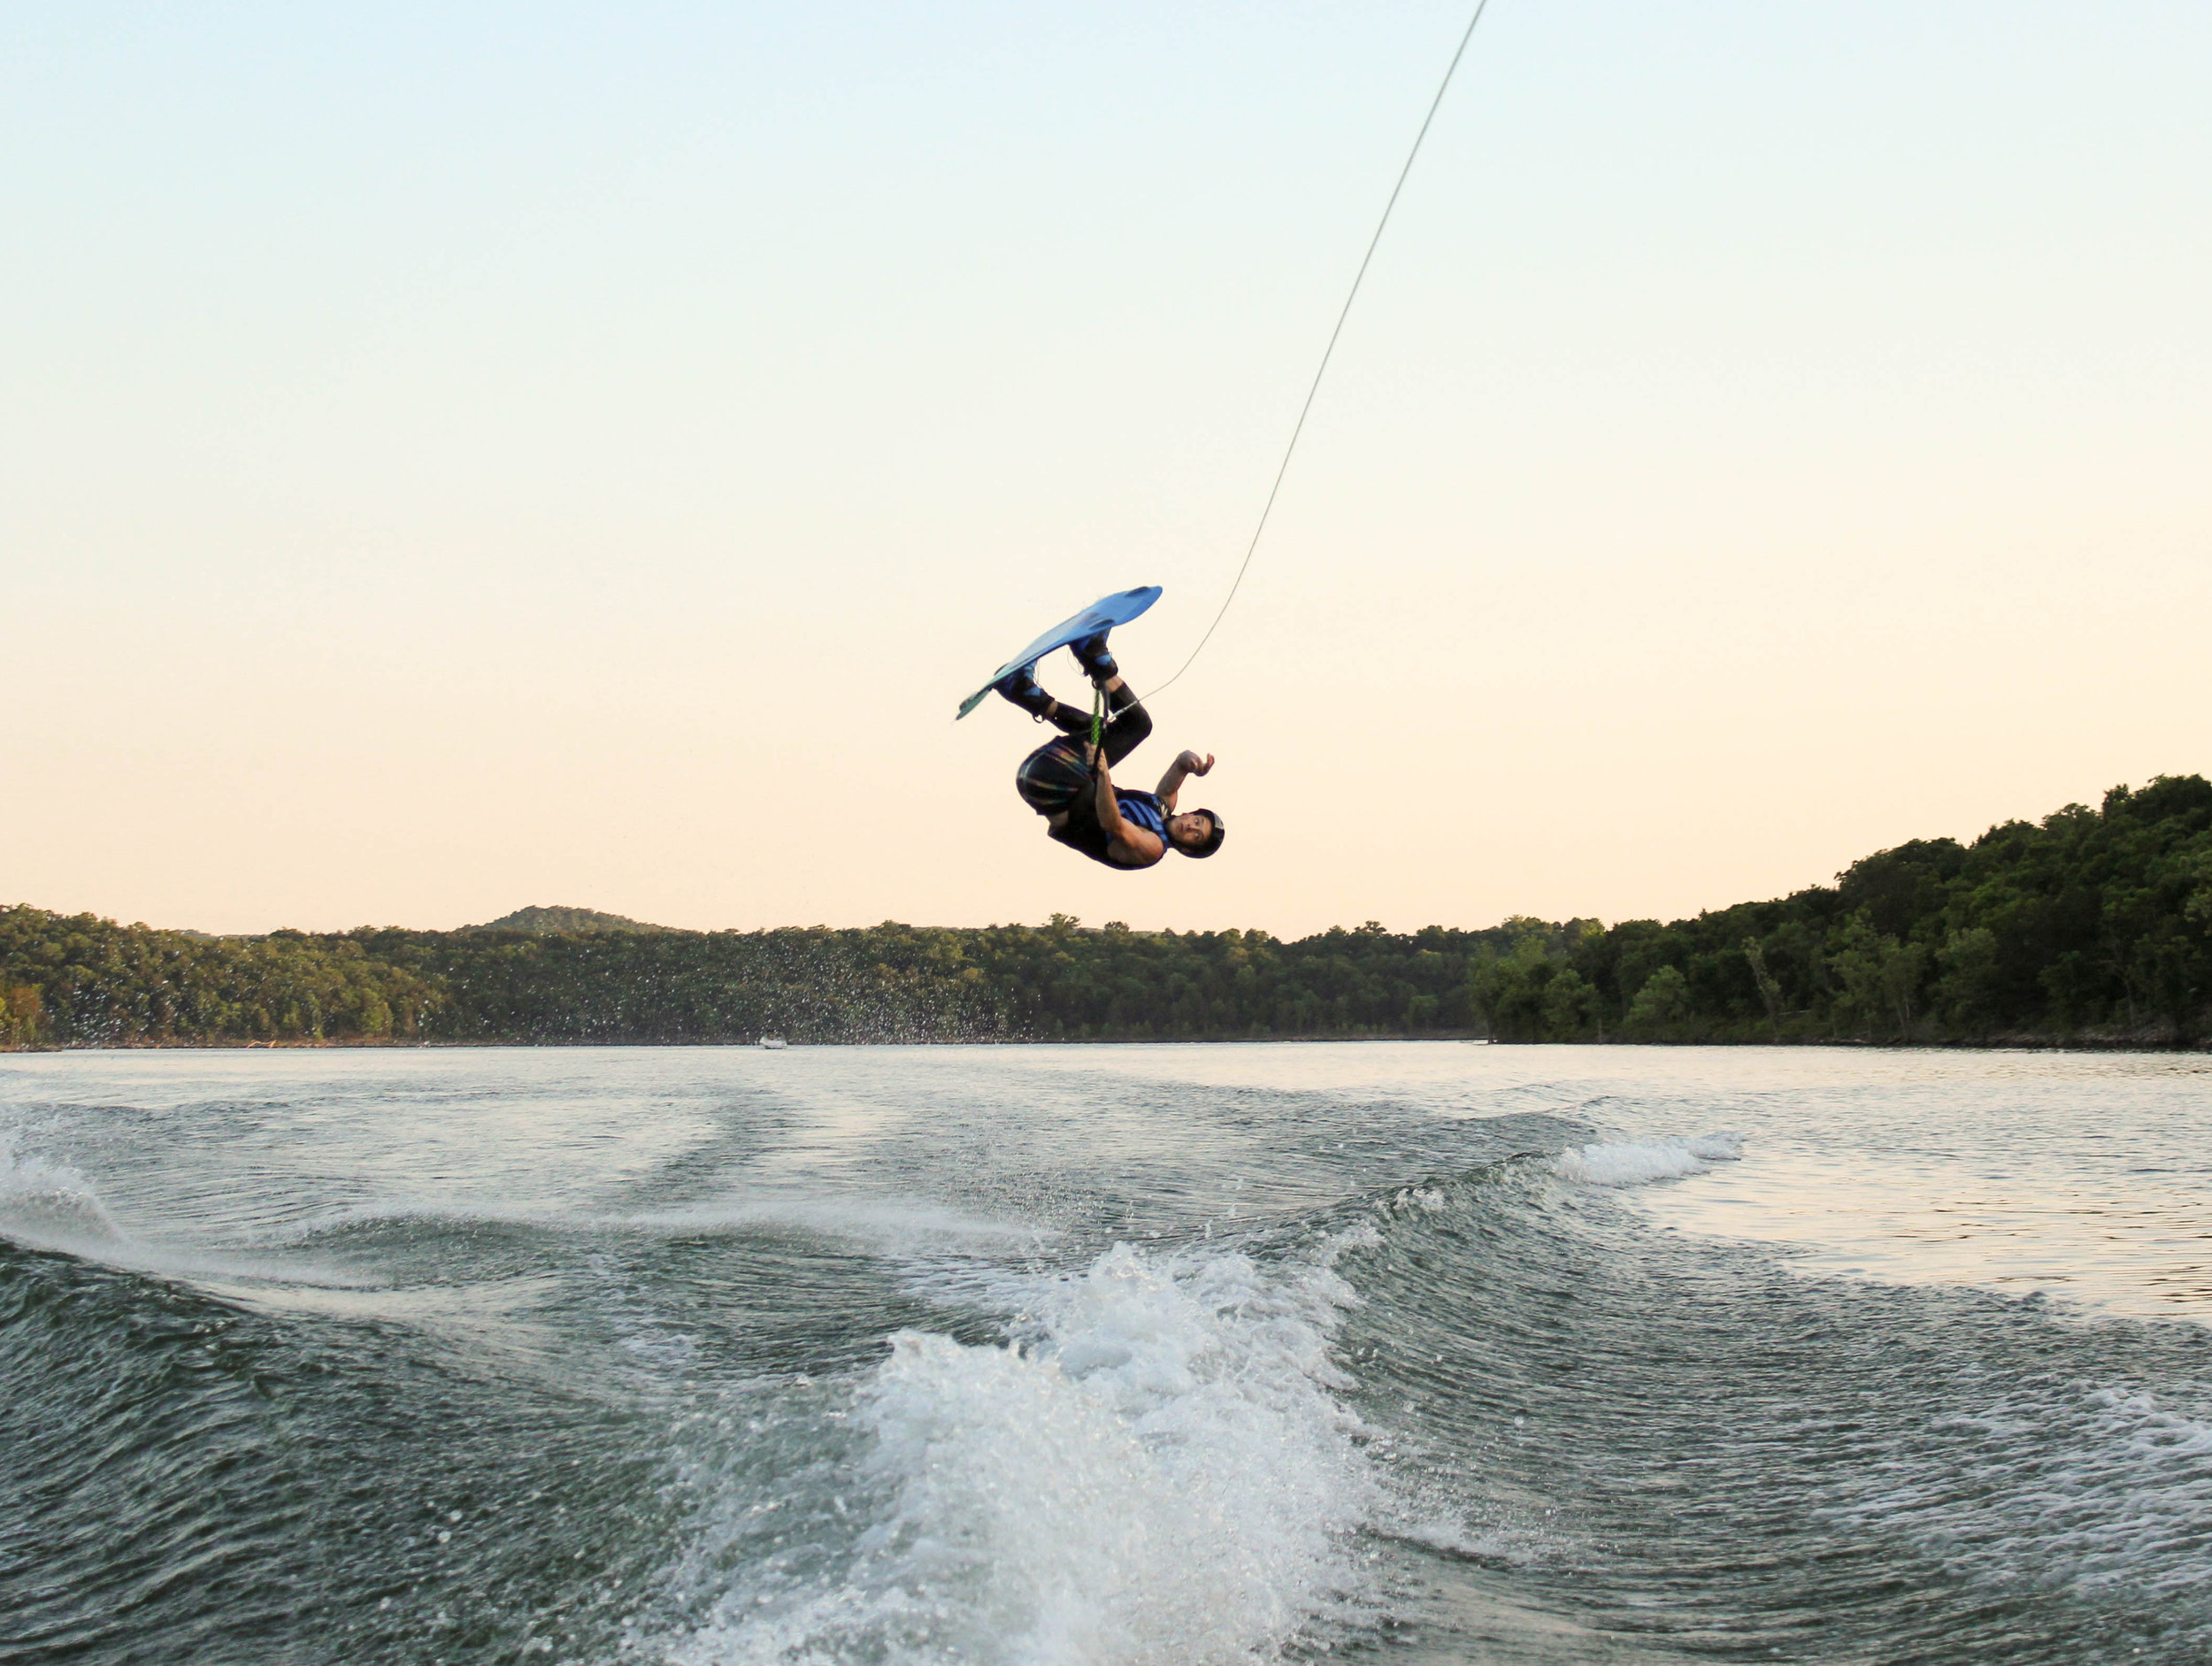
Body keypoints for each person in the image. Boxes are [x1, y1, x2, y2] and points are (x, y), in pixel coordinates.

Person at [993, 633, 1225, 870]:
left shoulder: (1152, 849)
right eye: (1197, 821)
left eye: (1196, 835)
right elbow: (1180, 765)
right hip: (1056, 774)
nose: (1191, 827)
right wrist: (1193, 765)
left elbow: (1113, 825)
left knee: (1137, 726)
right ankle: (1022, 690)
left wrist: (1103, 775)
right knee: (1103, 731)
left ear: (1186, 849)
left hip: (1056, 787)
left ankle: (1094, 658)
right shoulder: (1161, 807)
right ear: (1189, 813)